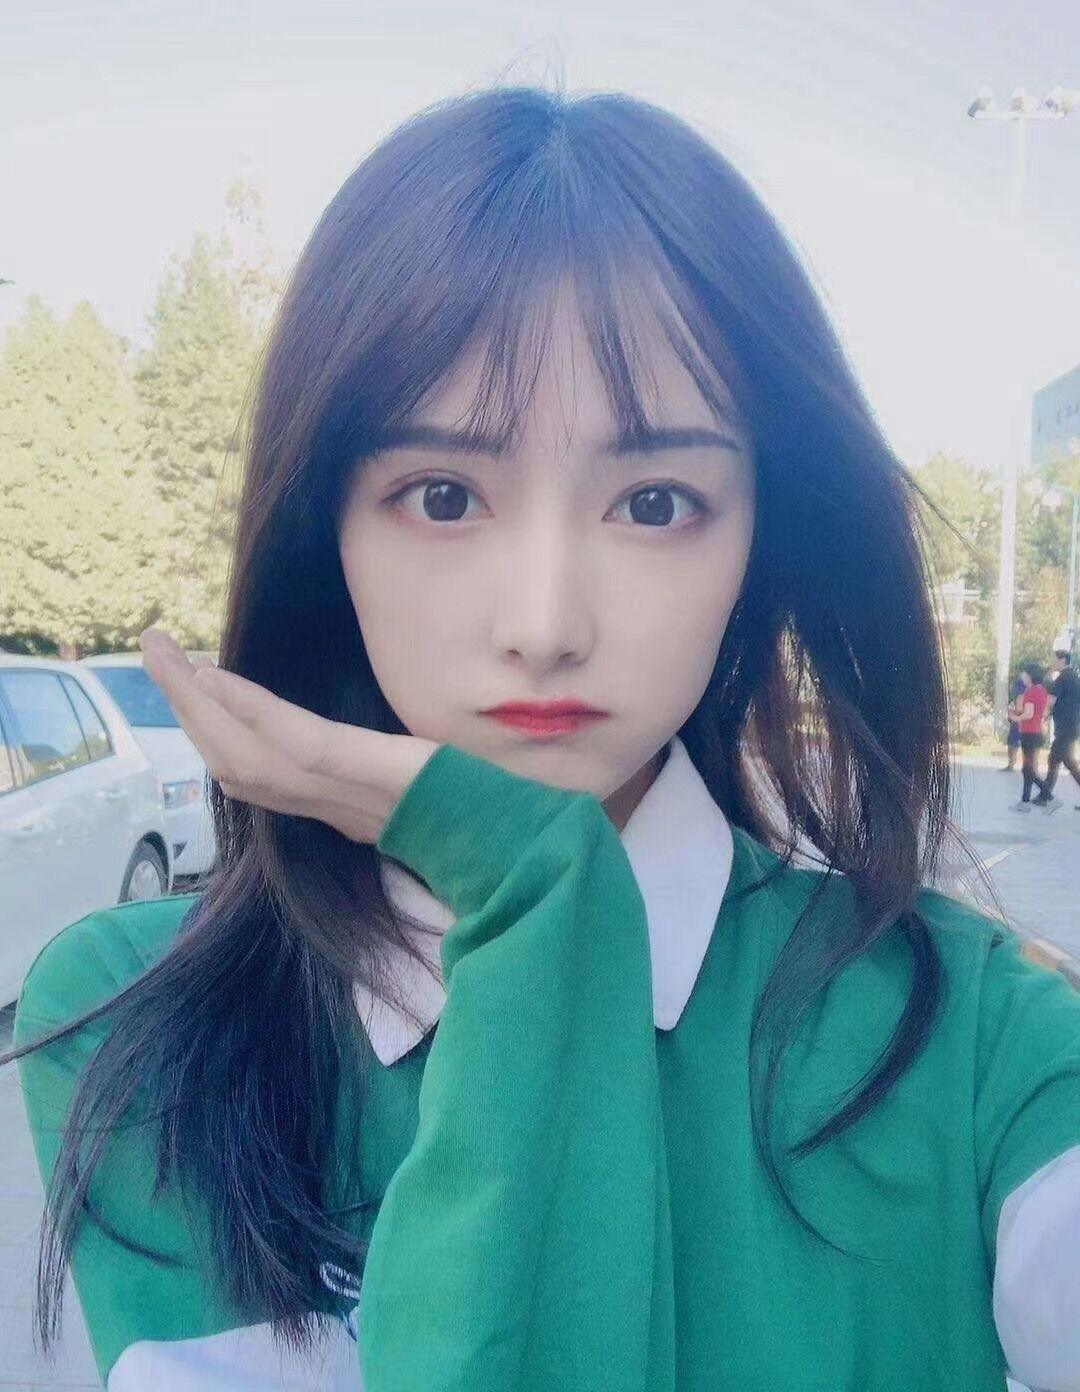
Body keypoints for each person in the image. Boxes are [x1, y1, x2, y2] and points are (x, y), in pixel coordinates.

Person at [5, 87, 1080, 1392]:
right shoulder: (148, 1026)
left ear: (763, 539)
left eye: (657, 501)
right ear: (323, 532)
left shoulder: (977, 1033)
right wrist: (533, 894)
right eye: (442, 495)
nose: (545, 625)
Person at [1034, 649, 1080, 811]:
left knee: (1054, 759)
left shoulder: (1063, 678)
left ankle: (1044, 796)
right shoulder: (1074, 677)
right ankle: (1044, 796)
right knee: (1068, 762)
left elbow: (1050, 701)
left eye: (1054, 659)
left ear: (1062, 660)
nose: (1052, 662)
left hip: (1065, 728)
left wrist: (1042, 718)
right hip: (1072, 726)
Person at [1008, 662, 1054, 812]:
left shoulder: (1030, 691)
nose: (1022, 676)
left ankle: (1048, 796)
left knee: (1028, 770)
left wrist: (1014, 717)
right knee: (1028, 769)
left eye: (1024, 673)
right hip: (1037, 732)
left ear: (1030, 676)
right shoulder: (1042, 691)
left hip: (1029, 733)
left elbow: (1028, 713)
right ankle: (1025, 801)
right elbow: (1044, 712)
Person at [999, 672, 1025, 771]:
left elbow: (1019, 699)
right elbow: (1012, 701)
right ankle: (1011, 763)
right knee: (1012, 741)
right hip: (1016, 717)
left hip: (1023, 716)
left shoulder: (1027, 685)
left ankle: (1023, 766)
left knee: (1020, 742)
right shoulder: (1017, 683)